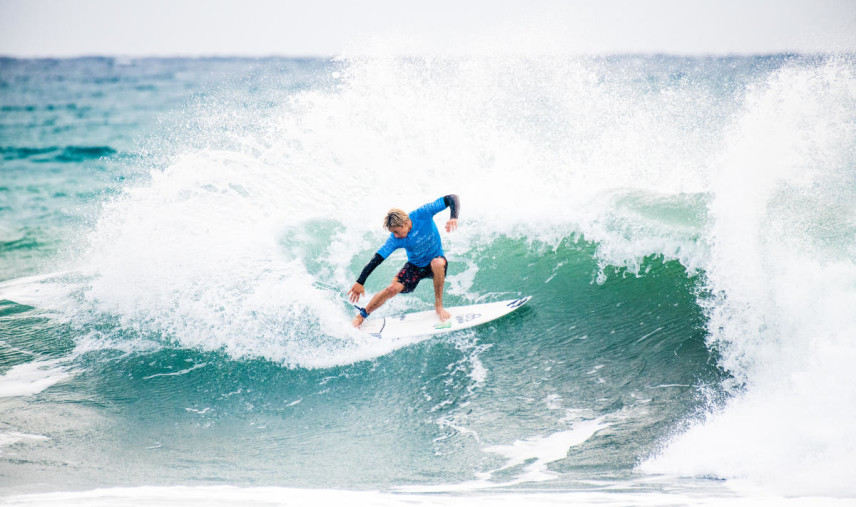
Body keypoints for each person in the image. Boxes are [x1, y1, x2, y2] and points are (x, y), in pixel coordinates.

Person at [349, 194, 460, 328]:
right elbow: (378, 258)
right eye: (393, 232)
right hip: (415, 266)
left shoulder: (423, 213)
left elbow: (451, 198)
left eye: (397, 231)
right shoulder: (395, 239)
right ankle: (361, 316)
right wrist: (360, 281)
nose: (395, 235)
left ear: (406, 223)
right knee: (391, 289)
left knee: (437, 263)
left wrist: (453, 217)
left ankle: (439, 305)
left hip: (435, 261)